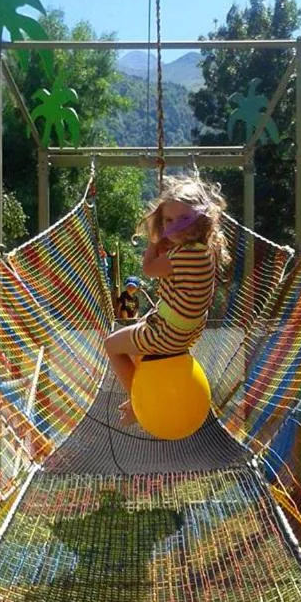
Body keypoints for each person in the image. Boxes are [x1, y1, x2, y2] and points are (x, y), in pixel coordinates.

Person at [104, 173, 230, 426]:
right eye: (169, 220)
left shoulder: (180, 257)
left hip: (167, 334)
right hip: (187, 332)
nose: (176, 226)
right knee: (138, 353)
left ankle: (137, 402)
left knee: (111, 345)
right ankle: (141, 395)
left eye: (183, 219)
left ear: (200, 220)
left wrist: (154, 241)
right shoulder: (207, 250)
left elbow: (149, 268)